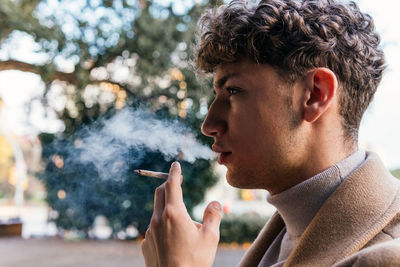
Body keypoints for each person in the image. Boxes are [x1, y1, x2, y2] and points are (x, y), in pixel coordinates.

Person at [141, 0, 400, 266]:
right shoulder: (288, 231)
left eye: (233, 91)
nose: (209, 125)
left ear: (315, 95)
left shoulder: (388, 258)